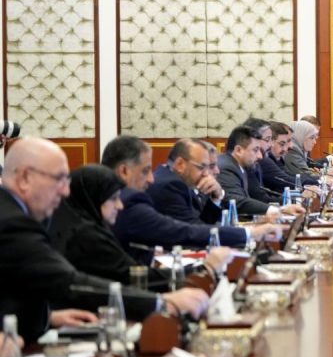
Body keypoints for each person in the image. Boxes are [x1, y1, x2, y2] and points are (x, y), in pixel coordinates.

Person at [0, 139, 206, 342]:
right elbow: (67, 282)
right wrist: (160, 303)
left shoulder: (15, 214)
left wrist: (49, 317)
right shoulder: (13, 223)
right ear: (25, 178)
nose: (65, 191)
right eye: (59, 179)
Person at [50, 164, 231, 296]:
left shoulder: (82, 225)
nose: (120, 206)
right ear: (93, 199)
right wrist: (203, 269)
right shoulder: (86, 236)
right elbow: (132, 276)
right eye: (113, 199)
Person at [103, 135, 236, 256]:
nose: (151, 179)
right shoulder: (168, 185)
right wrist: (244, 234)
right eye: (145, 171)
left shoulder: (180, 182)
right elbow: (188, 233)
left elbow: (197, 226)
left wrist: (215, 199)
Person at [147, 139, 275, 247]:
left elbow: (201, 225)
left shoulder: (178, 180)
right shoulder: (170, 185)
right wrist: (250, 233)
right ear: (180, 164)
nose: (207, 173)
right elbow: (194, 232)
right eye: (202, 167)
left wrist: (216, 198)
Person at [220, 125, 305, 217]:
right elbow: (237, 202)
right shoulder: (227, 168)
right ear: (239, 150)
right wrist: (279, 210)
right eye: (255, 150)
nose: (260, 156)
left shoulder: (239, 166)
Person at [261, 121, 319, 193]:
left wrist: (317, 181)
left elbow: (290, 175)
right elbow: (286, 180)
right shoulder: (265, 160)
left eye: (289, 141)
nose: (290, 146)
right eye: (282, 144)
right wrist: (319, 182)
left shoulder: (277, 159)